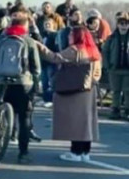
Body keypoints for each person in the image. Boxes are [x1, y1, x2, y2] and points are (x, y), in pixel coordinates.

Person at [0, 9, 41, 164]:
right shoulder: (28, 41)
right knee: (24, 118)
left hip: (2, 83)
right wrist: (35, 85)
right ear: (25, 26)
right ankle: (23, 153)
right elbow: (37, 68)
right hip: (22, 84)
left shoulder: (0, 39)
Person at [37, 26, 102, 161]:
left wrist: (39, 46)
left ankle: (75, 152)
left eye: (72, 34)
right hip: (89, 90)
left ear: (78, 36)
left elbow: (55, 57)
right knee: (86, 122)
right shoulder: (93, 50)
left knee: (75, 122)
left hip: (75, 90)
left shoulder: (74, 50)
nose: (69, 37)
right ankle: (85, 152)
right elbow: (97, 74)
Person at [102, 11, 129, 119]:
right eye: (121, 24)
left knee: (127, 91)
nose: (124, 26)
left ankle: (127, 110)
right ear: (117, 25)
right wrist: (107, 65)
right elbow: (105, 51)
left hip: (127, 70)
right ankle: (115, 110)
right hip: (114, 69)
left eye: (126, 24)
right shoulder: (112, 38)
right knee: (116, 91)